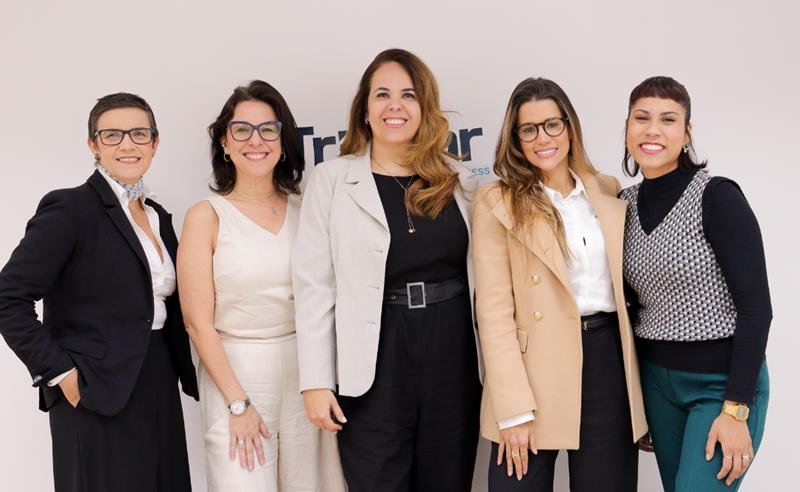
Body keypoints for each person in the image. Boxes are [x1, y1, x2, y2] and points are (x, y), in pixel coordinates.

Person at [292, 48, 482, 491]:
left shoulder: (459, 181)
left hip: (452, 355)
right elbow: (314, 286)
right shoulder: (332, 181)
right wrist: (316, 381)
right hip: (373, 361)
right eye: (382, 94)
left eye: (408, 95)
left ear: (425, 108)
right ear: (364, 110)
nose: (395, 105)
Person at [0, 93, 198, 491]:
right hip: (95, 386)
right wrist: (61, 373)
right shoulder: (71, 208)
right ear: (93, 144)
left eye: (139, 133)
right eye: (112, 135)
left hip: (157, 377)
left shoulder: (158, 216)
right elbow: (8, 298)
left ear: (155, 143)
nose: (127, 144)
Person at [472, 77, 648, 492]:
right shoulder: (496, 201)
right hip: (531, 367)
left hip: (605, 361)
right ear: (516, 140)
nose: (543, 138)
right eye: (528, 129)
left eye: (552, 124)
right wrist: (514, 410)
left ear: (569, 127)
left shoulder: (606, 189)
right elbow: (493, 313)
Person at [177, 80, 345, 491]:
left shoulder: (308, 210)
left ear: (284, 143)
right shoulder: (206, 216)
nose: (256, 141)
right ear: (224, 142)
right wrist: (238, 403)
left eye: (268, 129)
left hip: (307, 374)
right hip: (237, 375)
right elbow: (197, 323)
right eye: (242, 130)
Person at [619, 75, 771, 492]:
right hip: (658, 385)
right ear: (627, 128)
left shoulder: (717, 197)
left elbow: (757, 308)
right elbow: (631, 305)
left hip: (722, 387)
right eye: (642, 118)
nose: (653, 130)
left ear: (686, 133)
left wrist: (736, 408)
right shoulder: (623, 205)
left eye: (668, 120)